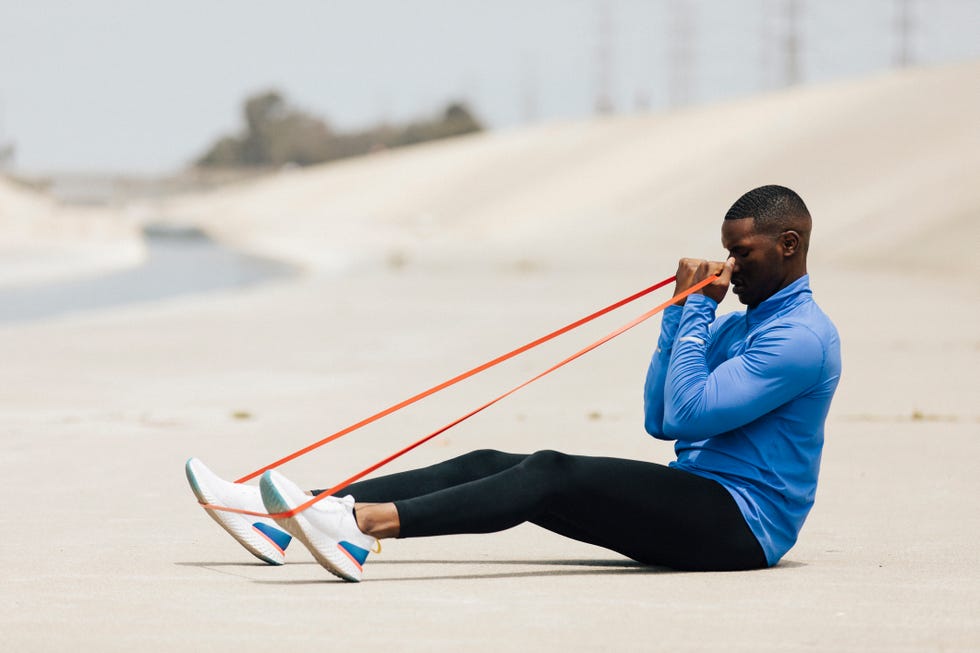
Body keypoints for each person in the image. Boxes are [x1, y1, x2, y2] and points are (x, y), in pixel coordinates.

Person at [186, 184, 841, 582]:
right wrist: (679, 315)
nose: (729, 266)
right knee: (492, 460)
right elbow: (660, 418)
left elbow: (691, 413)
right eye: (725, 250)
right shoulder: (740, 324)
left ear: (788, 245)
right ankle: (286, 515)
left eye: (742, 254)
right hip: (701, 497)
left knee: (551, 469)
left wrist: (697, 309)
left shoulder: (801, 337)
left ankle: (361, 525)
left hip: (742, 526)